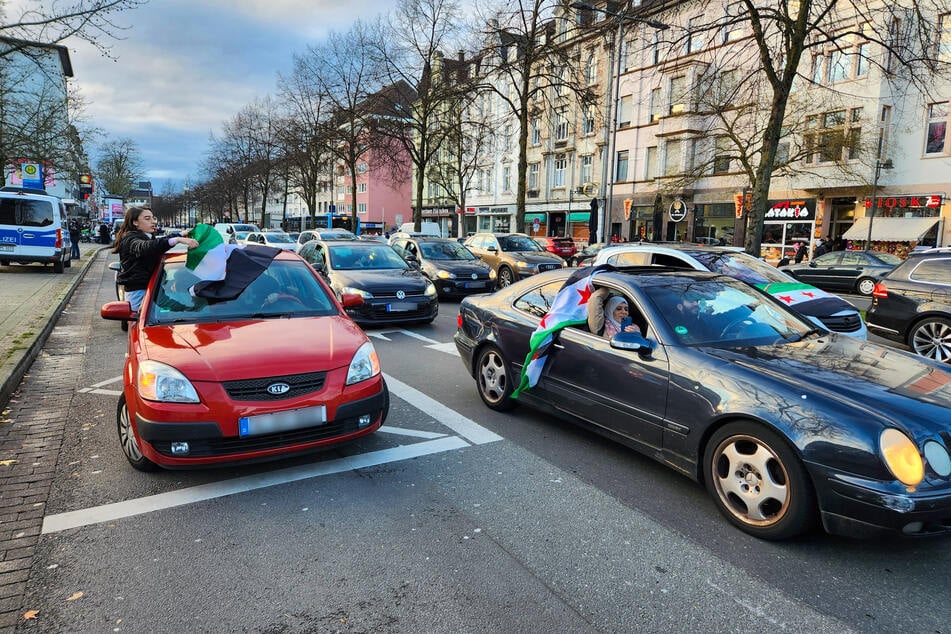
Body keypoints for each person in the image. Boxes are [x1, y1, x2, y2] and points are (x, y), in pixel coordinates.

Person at [113, 207, 199, 312]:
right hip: (139, 293)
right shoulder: (130, 239)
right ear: (135, 222)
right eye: (147, 218)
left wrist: (181, 234)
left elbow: (158, 242)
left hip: (152, 288)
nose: (153, 221)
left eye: (153, 218)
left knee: (180, 309)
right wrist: (177, 240)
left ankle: (190, 310)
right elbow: (146, 247)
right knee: (138, 321)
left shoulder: (145, 237)